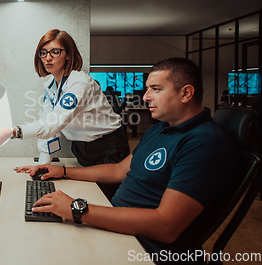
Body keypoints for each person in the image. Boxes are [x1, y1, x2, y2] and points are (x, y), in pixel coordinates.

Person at [15, 58, 238, 259]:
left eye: (156, 89)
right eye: (148, 88)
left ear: (186, 93)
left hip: (142, 248)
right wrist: (63, 172)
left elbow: (166, 226)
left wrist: (77, 208)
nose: (146, 96)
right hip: (119, 226)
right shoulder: (161, 129)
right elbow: (118, 170)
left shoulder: (204, 143)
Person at [0, 29, 130, 169]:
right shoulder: (49, 86)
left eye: (55, 52)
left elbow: (53, 124)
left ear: (68, 55)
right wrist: (42, 167)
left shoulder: (79, 83)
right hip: (81, 148)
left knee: (107, 194)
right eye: (43, 53)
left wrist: (13, 132)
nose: (48, 58)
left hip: (109, 148)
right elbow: (49, 127)